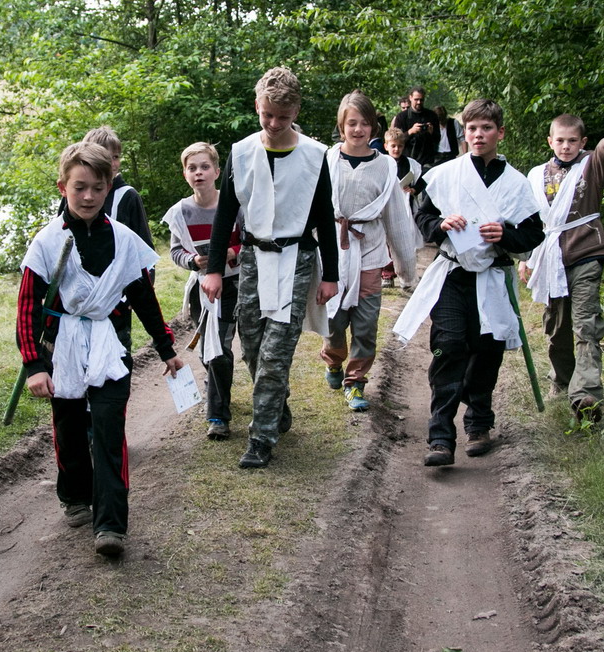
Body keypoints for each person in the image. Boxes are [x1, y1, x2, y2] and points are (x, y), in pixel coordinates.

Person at [18, 141, 184, 558]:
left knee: (109, 431)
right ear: (63, 187)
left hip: (109, 347)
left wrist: (166, 348)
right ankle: (75, 495)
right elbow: (27, 308)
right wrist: (35, 365)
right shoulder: (47, 242)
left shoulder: (125, 241)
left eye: (97, 187)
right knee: (70, 427)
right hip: (64, 349)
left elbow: (143, 297)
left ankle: (110, 524)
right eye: (80, 188)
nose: (88, 196)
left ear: (109, 187)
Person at [200, 66, 340, 469]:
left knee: (277, 352)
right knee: (252, 345)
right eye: (267, 115)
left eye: (283, 116)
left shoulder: (314, 155)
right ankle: (277, 404)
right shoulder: (242, 152)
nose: (275, 123)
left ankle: (261, 438)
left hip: (296, 259)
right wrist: (213, 269)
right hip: (252, 259)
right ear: (257, 107)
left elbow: (324, 217)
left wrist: (331, 275)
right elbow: (225, 214)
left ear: (296, 111)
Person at [393, 98, 544, 466]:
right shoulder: (447, 174)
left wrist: (505, 235)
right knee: (448, 347)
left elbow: (532, 233)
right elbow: (424, 215)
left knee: (486, 351)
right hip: (453, 275)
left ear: (500, 133)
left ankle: (478, 425)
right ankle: (440, 437)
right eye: (473, 128)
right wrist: (441, 225)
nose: (479, 135)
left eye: (486, 128)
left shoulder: (516, 183)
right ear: (465, 132)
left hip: (492, 277)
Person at [518, 89, 604, 424]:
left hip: (586, 255)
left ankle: (586, 395)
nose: (566, 146)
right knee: (557, 329)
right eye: (560, 140)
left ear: (583, 142)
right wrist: (526, 257)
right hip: (551, 260)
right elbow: (530, 220)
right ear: (550, 141)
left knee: (586, 325)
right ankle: (563, 381)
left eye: (572, 141)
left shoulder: (591, 166)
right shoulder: (536, 175)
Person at [322, 92, 418, 411]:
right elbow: (314, 211)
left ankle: (355, 382)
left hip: (370, 253)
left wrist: (406, 269)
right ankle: (334, 359)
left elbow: (397, 220)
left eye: (364, 123)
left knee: (365, 324)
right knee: (334, 322)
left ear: (374, 127)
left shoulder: (386, 166)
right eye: (352, 123)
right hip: (334, 254)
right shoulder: (327, 160)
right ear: (341, 126)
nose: (358, 129)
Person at [163, 142, 243, 440]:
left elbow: (251, 240)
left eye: (205, 167)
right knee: (208, 352)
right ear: (185, 174)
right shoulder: (180, 213)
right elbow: (175, 251)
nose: (199, 173)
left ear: (217, 172)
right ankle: (217, 384)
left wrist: (233, 252)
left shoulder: (235, 205)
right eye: (192, 168)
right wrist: (193, 260)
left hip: (234, 284)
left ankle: (218, 416)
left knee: (219, 349)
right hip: (201, 290)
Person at [82, 126, 155, 250]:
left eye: (115, 157)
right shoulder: (74, 194)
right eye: (105, 157)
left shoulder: (128, 195)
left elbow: (144, 246)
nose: (112, 164)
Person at [379, 126, 423, 288]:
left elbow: (422, 181)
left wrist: (413, 189)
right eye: (393, 146)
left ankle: (407, 276)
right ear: (386, 146)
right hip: (386, 209)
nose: (396, 149)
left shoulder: (411, 164)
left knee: (406, 243)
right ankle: (387, 274)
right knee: (386, 242)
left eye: (400, 146)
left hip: (406, 209)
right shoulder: (381, 163)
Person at [392, 86, 441, 168]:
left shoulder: (431, 115)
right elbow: (395, 140)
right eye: (416, 99)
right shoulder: (402, 117)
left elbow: (438, 139)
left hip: (427, 160)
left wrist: (431, 132)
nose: (419, 102)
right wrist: (410, 132)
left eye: (421, 100)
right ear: (410, 98)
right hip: (407, 160)